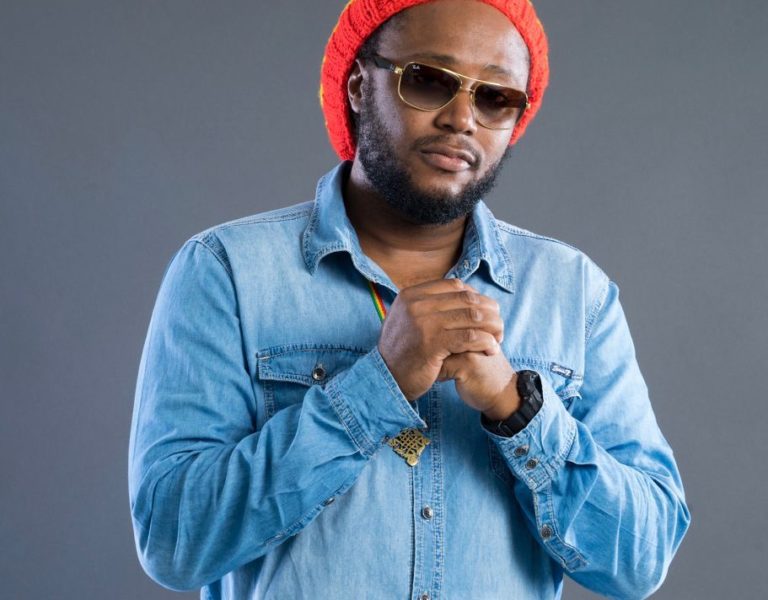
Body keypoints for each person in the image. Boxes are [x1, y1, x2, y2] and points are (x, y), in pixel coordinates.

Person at [128, 0, 690, 598]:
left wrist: (518, 409)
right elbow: (174, 542)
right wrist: (375, 388)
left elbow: (641, 559)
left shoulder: (574, 292)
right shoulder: (227, 271)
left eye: (495, 97)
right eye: (427, 80)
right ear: (357, 86)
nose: (462, 119)